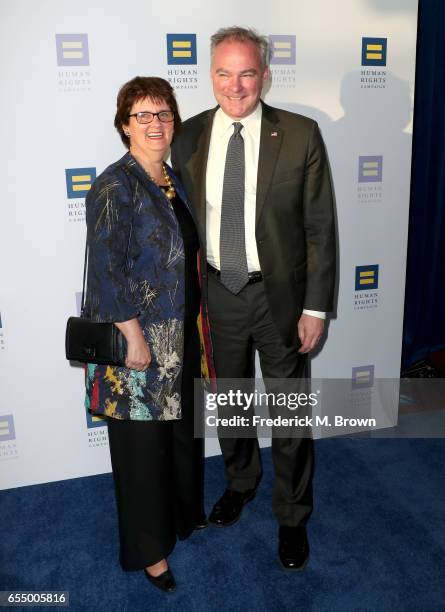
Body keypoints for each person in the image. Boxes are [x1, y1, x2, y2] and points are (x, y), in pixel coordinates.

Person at [171, 27, 336, 571]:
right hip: (219, 292)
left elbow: (319, 229)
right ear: (210, 76)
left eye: (246, 72)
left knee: (290, 412)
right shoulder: (187, 136)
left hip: (281, 299)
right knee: (231, 402)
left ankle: (292, 516)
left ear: (265, 75)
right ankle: (240, 482)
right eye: (224, 72)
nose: (235, 85)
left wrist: (315, 308)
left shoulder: (301, 134)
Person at [83, 76, 208, 593]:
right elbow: (107, 271)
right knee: (140, 451)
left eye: (164, 114)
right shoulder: (116, 184)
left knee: (179, 437)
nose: (156, 124)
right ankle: (150, 551)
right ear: (123, 126)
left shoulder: (174, 180)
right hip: (141, 341)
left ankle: (181, 517)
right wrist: (133, 337)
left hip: (182, 337)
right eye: (143, 115)